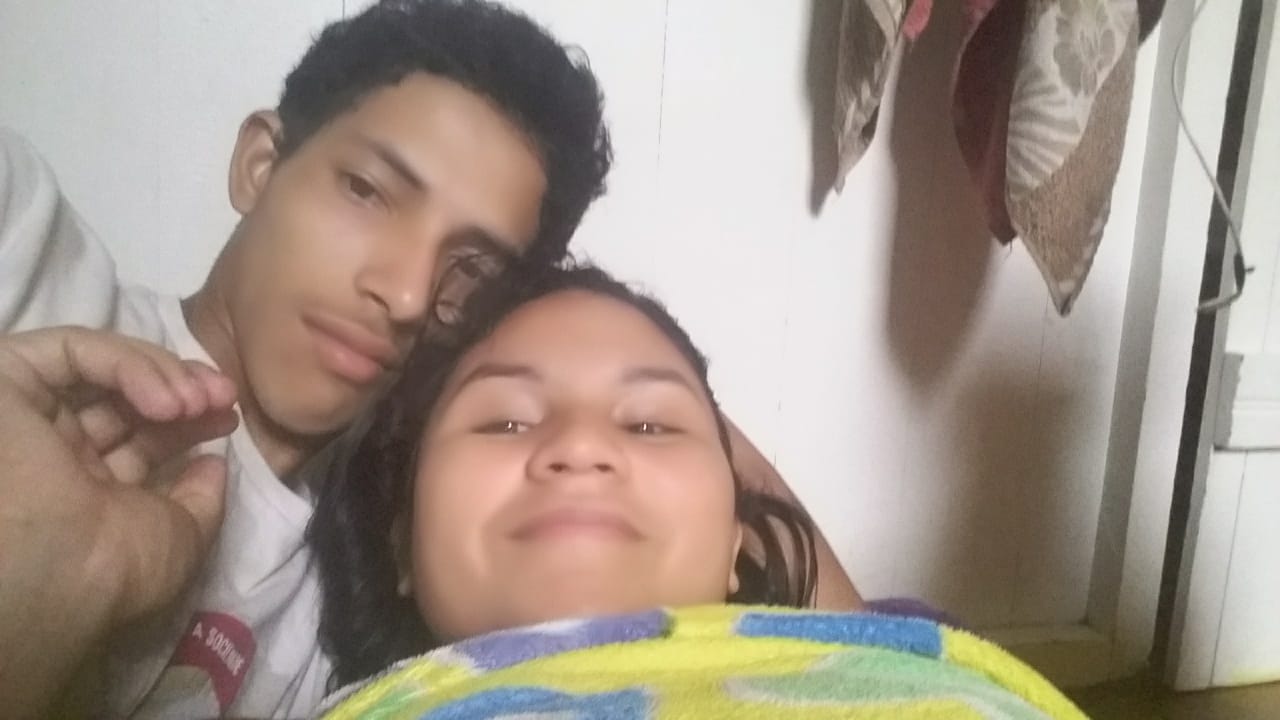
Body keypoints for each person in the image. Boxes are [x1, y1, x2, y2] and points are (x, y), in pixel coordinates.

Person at [0, 0, 857, 716]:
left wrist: (651, 401)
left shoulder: (362, 586)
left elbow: (858, 652)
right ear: (261, 163)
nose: (408, 293)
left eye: (471, 270)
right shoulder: (32, 260)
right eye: (368, 191)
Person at [305, 263, 1085, 719]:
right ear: (400, 544)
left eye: (649, 425)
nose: (580, 445)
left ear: (736, 544)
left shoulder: (886, 669)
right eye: (504, 421)